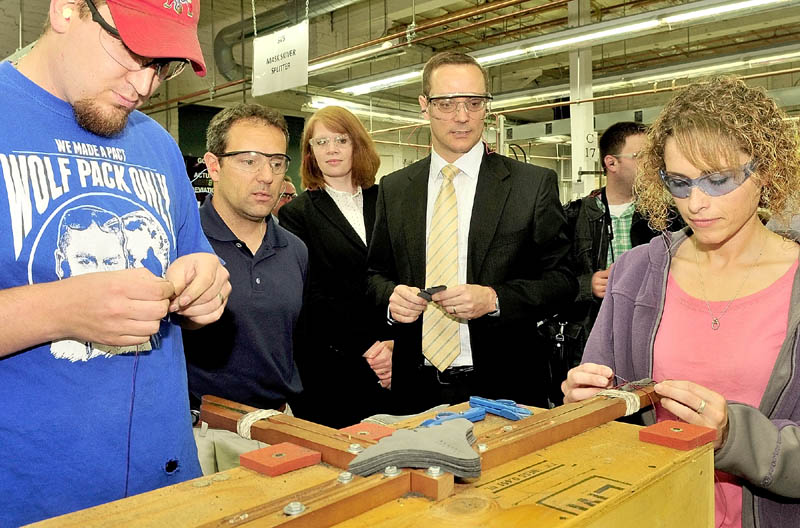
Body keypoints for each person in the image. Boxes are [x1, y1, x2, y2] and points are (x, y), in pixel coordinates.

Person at [0, 0, 230, 524]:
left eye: (162, 64)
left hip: (166, 488)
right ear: (65, 10)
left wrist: (207, 284)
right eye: (132, 50)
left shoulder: (158, 145)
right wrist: (58, 310)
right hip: (26, 501)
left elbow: (198, 257)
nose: (145, 84)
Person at [562, 77, 800, 528]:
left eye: (718, 180)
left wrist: (734, 435)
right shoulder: (636, 274)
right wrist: (588, 407)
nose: (696, 203)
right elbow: (606, 412)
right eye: (679, 182)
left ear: (765, 171)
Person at [366, 51, 576, 413]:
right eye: (447, 103)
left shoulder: (530, 185)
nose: (462, 117)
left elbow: (563, 280)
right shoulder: (396, 188)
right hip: (415, 387)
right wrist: (390, 298)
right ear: (424, 105)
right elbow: (374, 275)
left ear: (487, 106)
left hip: (505, 385)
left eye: (474, 103)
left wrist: (495, 299)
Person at [183, 103, 307, 413]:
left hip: (279, 421)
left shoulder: (294, 250)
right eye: (249, 161)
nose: (267, 176)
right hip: (203, 430)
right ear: (214, 167)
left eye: (277, 163)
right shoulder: (182, 243)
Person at [279, 105, 393, 428]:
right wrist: (370, 349)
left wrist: (395, 347)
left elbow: (406, 274)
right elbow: (312, 295)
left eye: (341, 140)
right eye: (321, 142)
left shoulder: (386, 199)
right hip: (335, 367)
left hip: (395, 360)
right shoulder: (297, 214)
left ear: (356, 144)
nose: (331, 150)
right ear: (310, 153)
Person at [556, 123, 668, 377]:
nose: (652, 163)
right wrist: (586, 285)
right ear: (611, 163)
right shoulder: (571, 218)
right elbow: (547, 281)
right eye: (641, 156)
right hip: (589, 339)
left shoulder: (665, 219)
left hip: (650, 335)